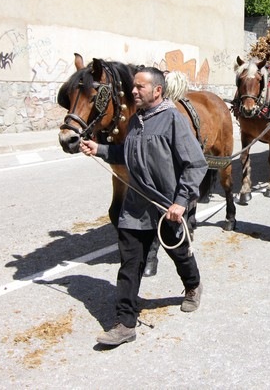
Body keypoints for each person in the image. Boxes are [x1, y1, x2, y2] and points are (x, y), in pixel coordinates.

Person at [80, 66, 207, 347]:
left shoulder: (172, 119)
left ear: (157, 90)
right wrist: (99, 149)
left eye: (140, 87)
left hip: (166, 207)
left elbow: (196, 164)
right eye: (134, 86)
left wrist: (181, 202)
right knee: (130, 263)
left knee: (179, 254)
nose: (134, 91)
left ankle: (193, 285)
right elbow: (127, 153)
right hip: (135, 206)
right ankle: (125, 323)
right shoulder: (136, 120)